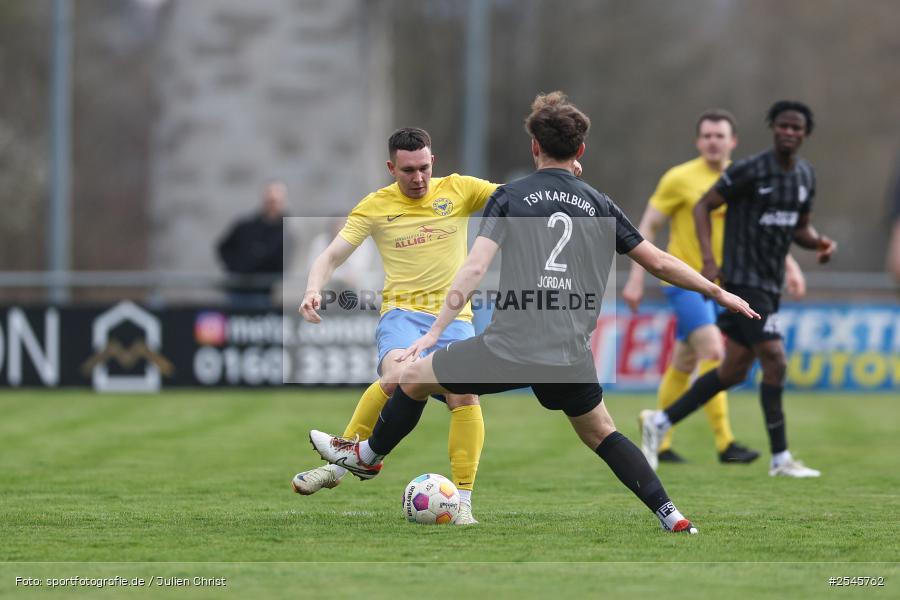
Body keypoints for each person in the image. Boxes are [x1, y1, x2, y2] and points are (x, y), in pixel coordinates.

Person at [308, 91, 760, 534]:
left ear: (534, 148)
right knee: (602, 432)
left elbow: (474, 268)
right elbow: (659, 261)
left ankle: (367, 457)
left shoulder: (512, 198)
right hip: (569, 353)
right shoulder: (600, 203)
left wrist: (434, 332)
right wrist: (716, 293)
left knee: (411, 378)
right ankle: (671, 514)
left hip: (509, 347)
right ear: (579, 150)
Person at [295, 127, 556, 524]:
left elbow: (518, 196)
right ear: (391, 168)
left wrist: (559, 177)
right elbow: (331, 256)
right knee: (399, 373)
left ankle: (462, 501)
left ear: (432, 161)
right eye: (407, 170)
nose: (417, 178)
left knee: (464, 395)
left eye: (423, 168)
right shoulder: (375, 205)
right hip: (402, 316)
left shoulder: (460, 189)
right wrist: (313, 288)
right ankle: (340, 463)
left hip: (453, 321)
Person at [639, 100, 837, 478]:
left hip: (770, 282)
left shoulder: (805, 176)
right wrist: (711, 262)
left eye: (797, 128)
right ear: (773, 128)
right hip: (741, 281)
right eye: (783, 126)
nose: (789, 132)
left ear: (805, 134)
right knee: (775, 360)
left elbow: (799, 230)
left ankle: (660, 421)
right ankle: (780, 459)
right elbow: (703, 206)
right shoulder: (749, 171)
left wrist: (821, 244)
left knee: (730, 371)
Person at [216, 181, 289, 309]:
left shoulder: (289, 230)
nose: (272, 205)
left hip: (271, 291)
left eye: (275, 201)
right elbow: (224, 248)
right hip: (240, 289)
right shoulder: (245, 226)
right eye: (270, 201)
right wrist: (236, 267)